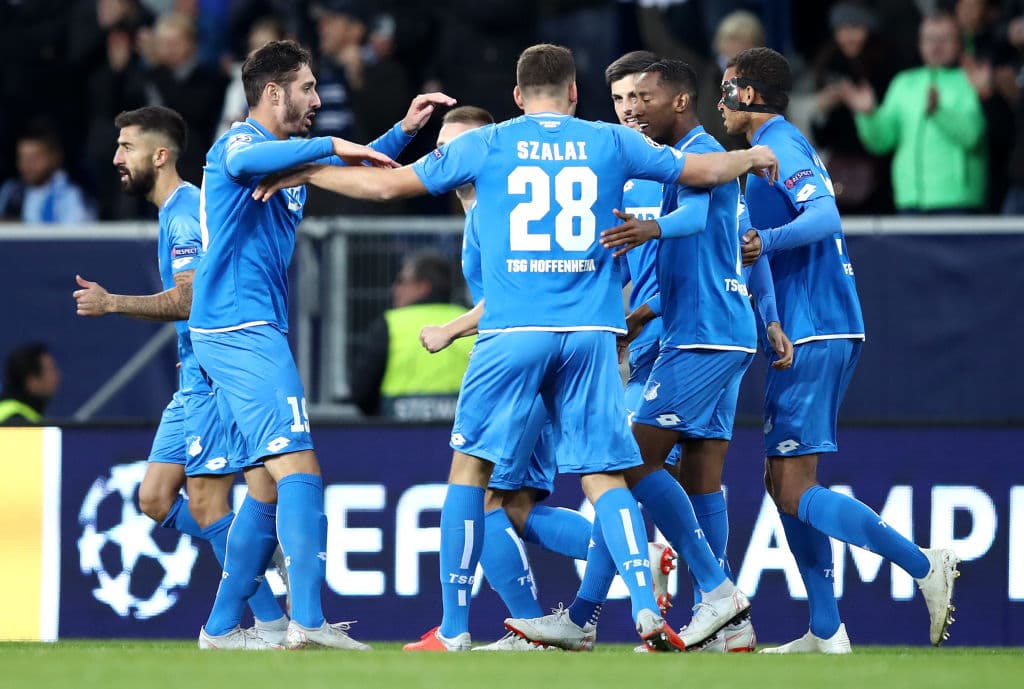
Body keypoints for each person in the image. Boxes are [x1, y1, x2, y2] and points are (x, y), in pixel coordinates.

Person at [252, 43, 780, 652]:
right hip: (591, 335)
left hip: (511, 333)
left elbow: (389, 187)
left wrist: (309, 169)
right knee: (606, 474)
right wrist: (752, 153)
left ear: (517, 96)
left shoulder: (488, 142)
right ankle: (643, 604)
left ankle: (453, 629)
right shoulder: (610, 141)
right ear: (576, 93)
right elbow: (701, 174)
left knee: (471, 472)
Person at [187, 39, 452, 650]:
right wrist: (328, 146)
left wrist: (400, 131)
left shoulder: (281, 160)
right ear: (273, 92)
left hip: (243, 328)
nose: (316, 100)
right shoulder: (238, 146)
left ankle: (223, 627)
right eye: (307, 88)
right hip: (240, 328)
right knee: (300, 468)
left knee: (262, 483)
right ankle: (306, 620)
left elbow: (347, 171)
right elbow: (284, 160)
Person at [721, 46, 960, 653]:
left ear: (748, 94)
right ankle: (826, 630)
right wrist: (769, 314)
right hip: (806, 325)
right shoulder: (761, 158)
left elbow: (826, 218)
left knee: (795, 487)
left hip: (819, 326)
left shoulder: (783, 144)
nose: (718, 103)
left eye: (726, 89)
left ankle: (924, 565)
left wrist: (763, 240)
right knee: (782, 482)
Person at [417, 105, 675, 651]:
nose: (448, 153)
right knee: (518, 504)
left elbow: (515, 297)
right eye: (442, 144)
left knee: (485, 497)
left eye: (458, 142)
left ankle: (526, 623)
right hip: (564, 354)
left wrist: (452, 328)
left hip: (528, 362)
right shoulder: (481, 209)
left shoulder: (497, 208)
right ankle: (619, 567)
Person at [72, 105, 290, 649]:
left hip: (212, 377)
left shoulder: (188, 211)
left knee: (207, 504)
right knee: (153, 497)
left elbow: (190, 298)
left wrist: (112, 303)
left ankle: (265, 621)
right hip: (190, 377)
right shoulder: (173, 210)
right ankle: (257, 553)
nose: (117, 157)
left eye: (127, 147)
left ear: (160, 155)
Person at [838, 11, 987, 213]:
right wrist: (869, 115)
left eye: (944, 39)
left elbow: (973, 137)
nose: (936, 46)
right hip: (909, 202)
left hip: (957, 203)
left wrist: (939, 112)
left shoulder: (971, 80)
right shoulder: (904, 82)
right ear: (920, 44)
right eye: (929, 39)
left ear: (959, 43)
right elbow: (882, 143)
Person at [349, 250, 472, 420]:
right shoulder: (470, 323)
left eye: (402, 281)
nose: (395, 288)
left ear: (423, 287)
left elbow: (362, 391)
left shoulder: (391, 323)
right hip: (461, 428)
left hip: (399, 431)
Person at [0, 127, 96, 224]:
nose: (27, 165)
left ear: (55, 157)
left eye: (34, 158)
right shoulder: (11, 191)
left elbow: (78, 234)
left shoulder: (70, 195)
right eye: (22, 158)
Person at [0, 343, 60, 425]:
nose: (57, 376)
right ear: (32, 381)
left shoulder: (27, 415)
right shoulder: (15, 421)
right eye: (51, 370)